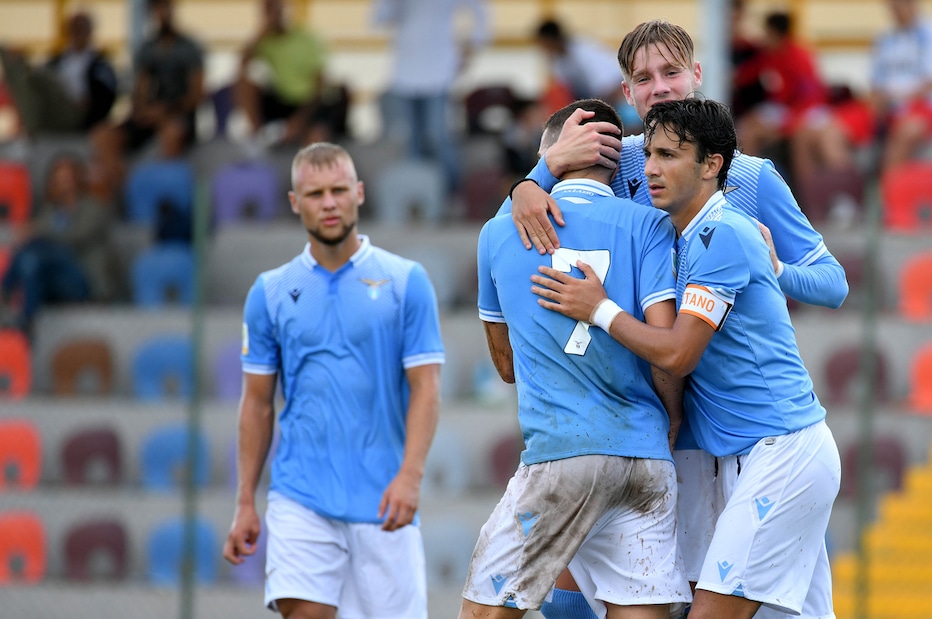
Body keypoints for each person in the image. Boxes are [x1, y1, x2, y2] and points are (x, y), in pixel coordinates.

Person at [503, 19, 848, 619]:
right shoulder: (618, 164)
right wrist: (527, 186)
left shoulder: (749, 178)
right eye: (643, 78)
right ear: (627, 93)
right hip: (657, 429)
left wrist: (773, 270)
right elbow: (532, 223)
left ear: (697, 75)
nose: (659, 87)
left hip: (747, 428)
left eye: (670, 72)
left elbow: (834, 283)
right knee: (591, 588)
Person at [462, 98, 691, 619]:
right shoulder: (650, 225)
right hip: (646, 457)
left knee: (484, 612)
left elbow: (505, 367)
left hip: (560, 452)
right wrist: (671, 416)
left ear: (550, 152)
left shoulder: (498, 232)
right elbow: (664, 348)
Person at [222, 142, 444, 619]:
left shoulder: (406, 281)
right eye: (315, 192)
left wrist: (410, 477)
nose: (328, 202)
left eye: (338, 190)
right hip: (300, 495)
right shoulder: (270, 292)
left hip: (384, 500)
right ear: (294, 202)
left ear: (359, 193)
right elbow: (257, 403)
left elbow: (426, 388)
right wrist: (245, 501)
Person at [91, 0, 205, 201]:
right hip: (151, 115)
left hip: (178, 115)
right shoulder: (147, 48)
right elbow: (141, 88)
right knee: (103, 135)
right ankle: (124, 193)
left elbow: (196, 94)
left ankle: (163, 196)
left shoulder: (189, 47)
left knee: (172, 132)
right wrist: (142, 111)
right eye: (159, 8)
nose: (164, 13)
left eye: (166, 7)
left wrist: (166, 111)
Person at [372, 0, 490, 194]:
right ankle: (418, 196)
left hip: (438, 74)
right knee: (410, 141)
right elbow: (379, 18)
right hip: (405, 75)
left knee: (439, 137)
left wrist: (472, 46)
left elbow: (480, 11)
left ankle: (451, 194)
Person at [0, 154, 116, 335]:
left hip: (83, 280)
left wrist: (36, 230)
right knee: (30, 258)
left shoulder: (94, 207)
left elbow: (76, 235)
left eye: (68, 178)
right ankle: (26, 319)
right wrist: (34, 232)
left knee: (34, 250)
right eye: (59, 179)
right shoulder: (51, 211)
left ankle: (6, 291)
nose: (64, 184)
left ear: (78, 178)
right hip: (54, 282)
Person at [236, 0, 348, 145]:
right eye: (270, 12)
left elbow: (320, 86)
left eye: (278, 10)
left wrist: (299, 120)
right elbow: (241, 65)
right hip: (283, 99)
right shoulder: (266, 40)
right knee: (244, 83)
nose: (275, 16)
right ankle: (256, 134)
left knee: (316, 138)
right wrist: (260, 33)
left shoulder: (307, 38)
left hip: (311, 103)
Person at [0, 10, 116, 137]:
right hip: (52, 109)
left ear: (90, 30)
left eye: (81, 28)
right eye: (74, 28)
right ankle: (29, 123)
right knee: (17, 67)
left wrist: (89, 110)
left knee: (42, 75)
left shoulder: (99, 65)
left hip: (77, 114)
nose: (77, 32)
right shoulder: (58, 59)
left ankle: (31, 125)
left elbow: (106, 96)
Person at [869, 0, 932, 172]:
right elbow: (875, 84)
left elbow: (928, 84)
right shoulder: (884, 39)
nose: (896, 9)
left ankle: (886, 194)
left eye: (901, 4)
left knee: (907, 130)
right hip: (891, 109)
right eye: (893, 5)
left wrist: (895, 98)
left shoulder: (928, 34)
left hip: (922, 108)